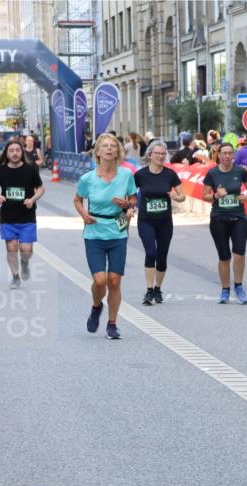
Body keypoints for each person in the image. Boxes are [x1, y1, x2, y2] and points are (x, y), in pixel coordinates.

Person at [72, 133, 137, 340]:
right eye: (105, 146)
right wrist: (84, 215)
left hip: (118, 230)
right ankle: (96, 306)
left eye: (113, 146)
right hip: (94, 232)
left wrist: (128, 206)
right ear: (98, 152)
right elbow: (77, 199)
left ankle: (112, 324)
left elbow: (133, 200)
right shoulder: (87, 178)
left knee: (114, 280)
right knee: (100, 281)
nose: (109, 149)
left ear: (117, 152)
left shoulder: (126, 175)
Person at [134, 140, 185, 305]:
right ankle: (149, 290)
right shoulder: (140, 175)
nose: (161, 156)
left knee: (162, 257)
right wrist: (129, 206)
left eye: (163, 154)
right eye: (157, 153)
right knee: (151, 253)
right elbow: (130, 193)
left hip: (164, 221)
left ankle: (158, 288)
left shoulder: (170, 174)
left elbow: (182, 195)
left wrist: (178, 197)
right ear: (150, 155)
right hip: (146, 220)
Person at [202, 142, 247, 304]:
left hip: (238, 217)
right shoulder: (213, 173)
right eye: (224, 153)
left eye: (230, 153)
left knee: (239, 253)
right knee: (224, 257)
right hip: (219, 219)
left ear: (234, 155)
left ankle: (238, 286)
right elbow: (205, 195)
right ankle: (225, 289)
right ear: (219, 155)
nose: (227, 156)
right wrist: (216, 195)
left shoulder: (240, 171)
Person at [0, 139, 44, 289]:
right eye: (11, 151)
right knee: (11, 248)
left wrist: (32, 199)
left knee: (26, 250)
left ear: (22, 152)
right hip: (8, 217)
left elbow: (41, 189)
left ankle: (25, 262)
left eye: (17, 150)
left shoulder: (30, 169)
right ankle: (15, 276)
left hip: (27, 216)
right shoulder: (1, 171)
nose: (15, 153)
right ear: (6, 154)